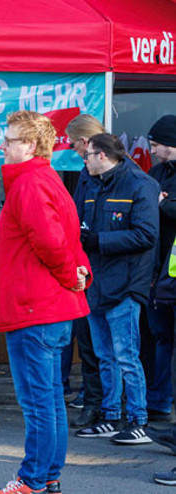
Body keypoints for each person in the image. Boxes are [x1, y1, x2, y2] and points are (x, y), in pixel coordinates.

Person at [0, 111, 91, 494]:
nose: (2, 146)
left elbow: (51, 241)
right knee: (49, 401)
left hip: (35, 309)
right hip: (49, 306)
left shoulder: (30, 183)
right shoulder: (47, 180)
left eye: (9, 140)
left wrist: (71, 274)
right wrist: (78, 274)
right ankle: (46, 476)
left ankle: (32, 480)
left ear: (29, 146)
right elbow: (68, 239)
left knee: (38, 403)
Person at [72, 133, 158, 445]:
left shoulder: (139, 183)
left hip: (125, 284)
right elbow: (82, 226)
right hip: (95, 284)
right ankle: (110, 416)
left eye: (88, 155)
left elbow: (147, 235)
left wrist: (99, 241)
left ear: (104, 156)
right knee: (104, 355)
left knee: (126, 356)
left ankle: (138, 420)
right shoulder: (93, 183)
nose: (84, 161)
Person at [63, 114, 106, 429]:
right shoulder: (85, 175)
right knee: (88, 344)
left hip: (106, 270)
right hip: (86, 266)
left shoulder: (115, 175)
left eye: (76, 143)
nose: (73, 149)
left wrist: (91, 237)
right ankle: (93, 403)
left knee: (105, 348)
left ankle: (105, 408)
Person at [146, 115, 176, 425]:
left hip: (172, 272)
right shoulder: (157, 173)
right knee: (160, 337)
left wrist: (164, 205)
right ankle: (158, 400)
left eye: (156, 145)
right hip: (159, 272)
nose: (152, 150)